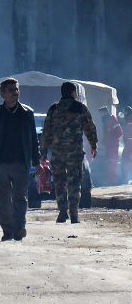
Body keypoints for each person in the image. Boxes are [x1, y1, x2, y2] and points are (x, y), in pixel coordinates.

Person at [0, 78, 42, 241]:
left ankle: (19, 228)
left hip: (20, 163)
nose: (15, 93)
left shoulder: (27, 113)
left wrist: (37, 161)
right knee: (3, 200)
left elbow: (33, 139)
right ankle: (7, 230)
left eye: (16, 89)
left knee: (20, 198)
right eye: (10, 90)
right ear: (3, 94)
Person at [40, 82, 98, 224]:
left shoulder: (54, 109)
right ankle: (74, 214)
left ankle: (62, 211)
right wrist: (93, 145)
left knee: (59, 182)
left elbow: (46, 132)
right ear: (73, 92)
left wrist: (43, 152)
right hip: (74, 153)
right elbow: (89, 127)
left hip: (57, 153)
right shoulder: (79, 108)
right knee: (74, 182)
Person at [98, 106, 122, 185]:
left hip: (113, 145)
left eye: (101, 113)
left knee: (113, 162)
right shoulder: (104, 121)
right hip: (108, 146)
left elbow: (119, 132)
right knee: (109, 162)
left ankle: (113, 180)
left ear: (104, 112)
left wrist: (112, 139)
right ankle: (110, 179)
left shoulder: (112, 119)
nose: (100, 115)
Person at [122, 106, 132, 183]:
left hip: (129, 143)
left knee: (126, 159)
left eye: (125, 111)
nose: (124, 113)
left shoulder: (129, 119)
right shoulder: (127, 119)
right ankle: (127, 178)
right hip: (128, 143)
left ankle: (127, 178)